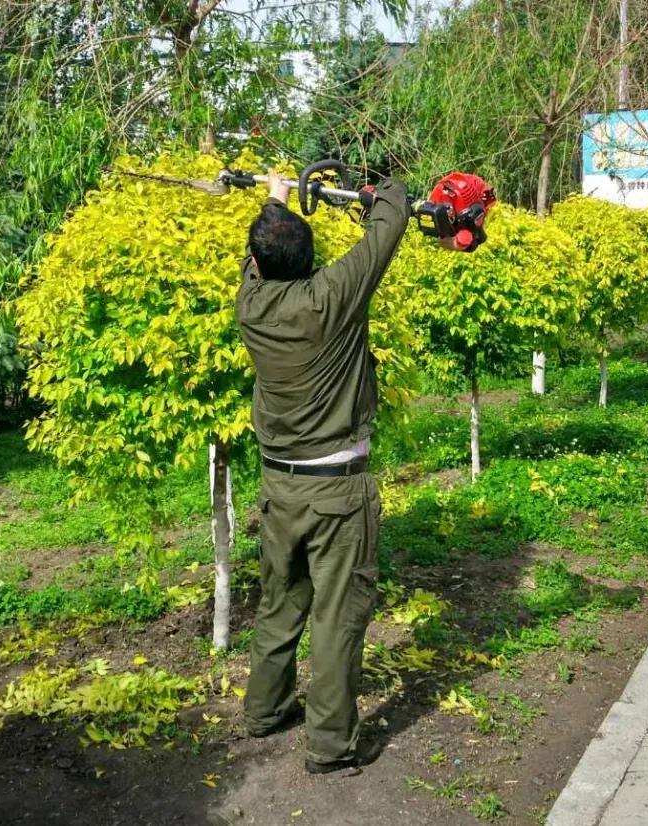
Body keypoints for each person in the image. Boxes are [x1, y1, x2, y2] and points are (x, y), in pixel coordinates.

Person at [235, 169, 410, 774]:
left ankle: (265, 710)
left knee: (280, 601)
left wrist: (274, 199)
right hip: (337, 487)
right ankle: (330, 746)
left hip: (279, 487)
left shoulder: (250, 307)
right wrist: (384, 187)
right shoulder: (332, 296)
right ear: (309, 258)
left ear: (258, 262)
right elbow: (387, 228)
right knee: (338, 615)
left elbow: (256, 257)